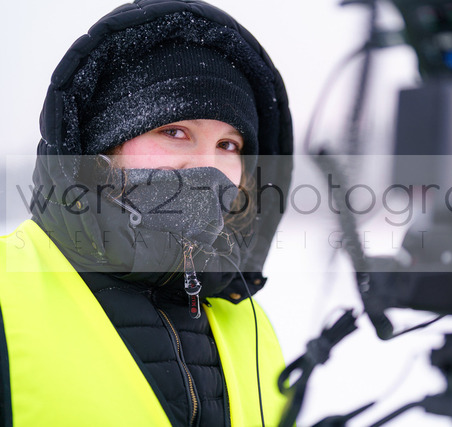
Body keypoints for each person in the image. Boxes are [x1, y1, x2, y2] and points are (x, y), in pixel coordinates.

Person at [0, 0, 293, 425]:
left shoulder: (249, 324)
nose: (207, 167)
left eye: (228, 145)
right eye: (174, 131)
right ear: (103, 145)